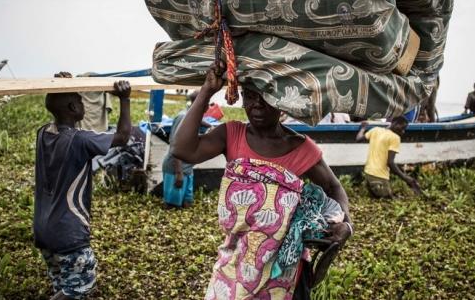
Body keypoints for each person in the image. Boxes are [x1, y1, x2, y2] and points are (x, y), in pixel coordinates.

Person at [171, 64, 353, 299]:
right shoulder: (231, 135)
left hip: (284, 271)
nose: (256, 104)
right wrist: (207, 90)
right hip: (234, 266)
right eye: (250, 96)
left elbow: (332, 187)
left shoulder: (299, 147)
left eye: (266, 96)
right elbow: (183, 149)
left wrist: (346, 224)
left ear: (281, 101)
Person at [33, 80, 131, 300]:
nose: (83, 102)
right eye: (79, 99)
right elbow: (123, 136)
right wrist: (124, 99)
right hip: (67, 231)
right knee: (79, 288)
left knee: (61, 281)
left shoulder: (43, 134)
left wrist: (64, 82)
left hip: (42, 228)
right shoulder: (80, 140)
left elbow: (59, 111)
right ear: (72, 109)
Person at [162, 91, 210, 209]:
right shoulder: (183, 117)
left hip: (187, 169)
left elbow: (196, 122)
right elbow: (175, 144)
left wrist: (207, 125)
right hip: (176, 168)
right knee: (173, 207)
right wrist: (179, 173)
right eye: (207, 103)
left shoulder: (194, 116)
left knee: (187, 204)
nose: (208, 107)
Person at [355, 117, 422, 199]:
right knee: (391, 200)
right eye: (402, 128)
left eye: (404, 129)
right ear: (394, 123)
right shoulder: (395, 138)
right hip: (379, 177)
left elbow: (358, 139)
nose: (403, 131)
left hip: (368, 173)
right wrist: (406, 178)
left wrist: (363, 128)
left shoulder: (376, 130)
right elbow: (390, 162)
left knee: (384, 198)